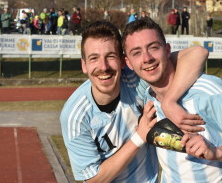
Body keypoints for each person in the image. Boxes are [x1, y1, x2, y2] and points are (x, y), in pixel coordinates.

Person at [123, 18, 222, 183]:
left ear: (167, 50)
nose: (147, 58)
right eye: (136, 52)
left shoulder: (206, 91)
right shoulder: (147, 95)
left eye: (153, 48)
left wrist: (215, 152)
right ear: (128, 63)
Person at [60, 20, 209, 183]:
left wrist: (169, 102)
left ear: (123, 61)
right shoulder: (75, 115)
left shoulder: (136, 79)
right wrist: (139, 137)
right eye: (94, 58)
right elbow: (92, 180)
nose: (103, 67)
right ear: (84, 65)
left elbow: (198, 53)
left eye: (110, 57)